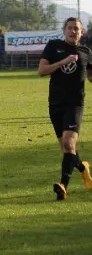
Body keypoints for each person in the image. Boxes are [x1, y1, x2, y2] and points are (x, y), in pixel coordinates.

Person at [38, 17, 92, 200]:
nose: (73, 31)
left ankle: (63, 186)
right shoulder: (54, 46)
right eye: (69, 28)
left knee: (69, 145)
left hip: (75, 104)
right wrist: (63, 61)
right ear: (64, 30)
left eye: (76, 29)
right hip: (55, 104)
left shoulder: (86, 52)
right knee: (67, 150)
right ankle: (83, 168)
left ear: (81, 32)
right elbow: (42, 71)